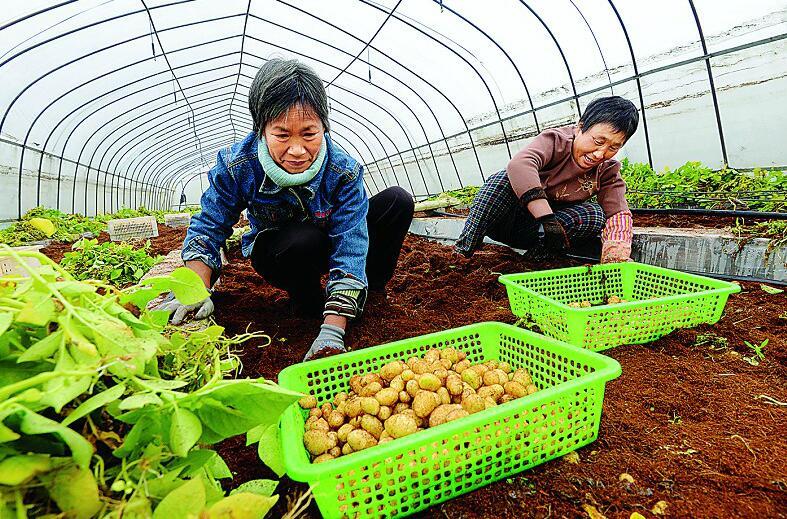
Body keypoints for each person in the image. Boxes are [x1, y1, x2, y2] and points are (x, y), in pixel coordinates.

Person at [159, 58, 414, 361]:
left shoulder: (342, 170)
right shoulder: (239, 165)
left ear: (323, 126)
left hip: (331, 241)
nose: (297, 150)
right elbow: (209, 225)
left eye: (309, 134)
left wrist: (333, 330)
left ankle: (363, 296)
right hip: (285, 252)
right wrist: (194, 289)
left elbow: (351, 243)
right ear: (262, 129)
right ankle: (307, 301)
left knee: (397, 202)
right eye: (282, 135)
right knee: (302, 239)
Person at [455, 96, 639, 264]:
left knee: (594, 215)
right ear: (580, 127)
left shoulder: (607, 170)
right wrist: (546, 218)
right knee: (502, 179)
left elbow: (618, 213)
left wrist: (616, 257)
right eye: (598, 141)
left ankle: (531, 262)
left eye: (613, 147)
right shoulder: (556, 141)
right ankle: (462, 252)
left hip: (539, 234)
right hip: (505, 219)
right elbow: (519, 165)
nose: (601, 153)